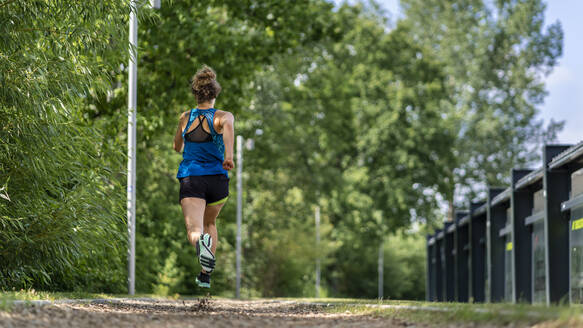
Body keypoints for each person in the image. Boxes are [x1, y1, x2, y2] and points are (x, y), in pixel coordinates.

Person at [173, 65, 234, 288]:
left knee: (195, 230)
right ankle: (205, 274)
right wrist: (228, 155)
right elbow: (228, 126)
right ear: (215, 94)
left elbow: (177, 147)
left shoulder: (185, 117)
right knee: (210, 222)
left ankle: (201, 244)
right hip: (218, 180)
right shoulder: (222, 116)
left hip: (192, 178)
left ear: (195, 94)